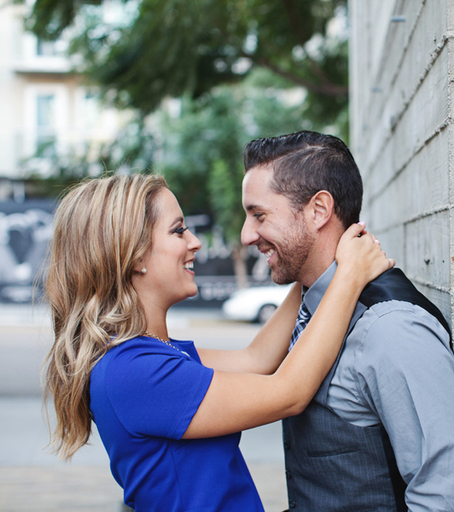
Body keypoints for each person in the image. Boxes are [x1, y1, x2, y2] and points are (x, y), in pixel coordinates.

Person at [43, 174, 394, 512]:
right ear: (134, 255)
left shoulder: (152, 353)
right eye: (178, 230)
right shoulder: (133, 372)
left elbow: (257, 358)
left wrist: (314, 265)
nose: (194, 241)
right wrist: (349, 275)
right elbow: (290, 392)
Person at [241, 131, 454, 511]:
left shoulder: (391, 328)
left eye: (259, 215)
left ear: (319, 210)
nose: (245, 235)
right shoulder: (309, 305)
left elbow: (448, 495)